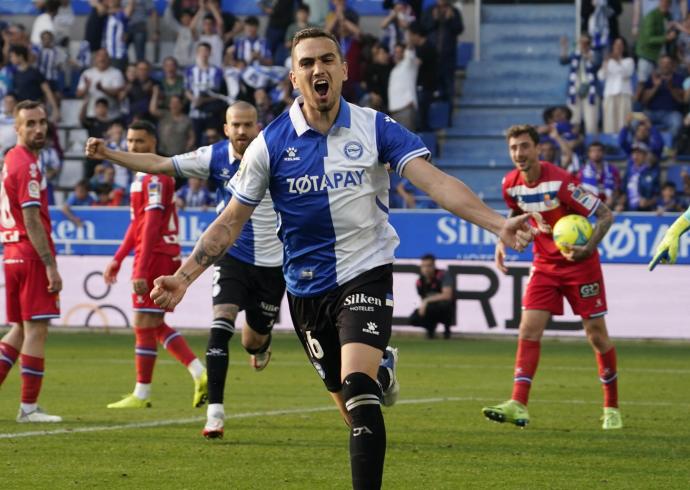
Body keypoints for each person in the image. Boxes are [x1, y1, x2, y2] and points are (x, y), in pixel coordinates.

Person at [119, 28, 537, 488]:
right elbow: (230, 221)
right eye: (307, 63)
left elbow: (433, 181)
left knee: (359, 392)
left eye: (327, 60)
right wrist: (184, 276)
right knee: (348, 406)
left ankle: (372, 382)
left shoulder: (375, 127)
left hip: (366, 272)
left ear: (343, 69)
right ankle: (383, 368)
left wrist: (499, 224)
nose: (318, 69)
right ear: (294, 78)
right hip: (303, 290)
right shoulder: (270, 145)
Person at [85, 102, 288, 440]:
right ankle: (215, 416)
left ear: (258, 127)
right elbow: (161, 164)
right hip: (232, 254)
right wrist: (109, 153)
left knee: (253, 340)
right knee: (220, 327)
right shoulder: (216, 157)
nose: (241, 131)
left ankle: (259, 347)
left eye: (248, 125)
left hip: (274, 264)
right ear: (225, 128)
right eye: (235, 125)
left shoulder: (277, 153)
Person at [483, 124, 622, 431]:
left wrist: (586, 249)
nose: (519, 153)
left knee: (596, 336)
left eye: (524, 146)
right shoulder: (510, 185)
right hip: (545, 264)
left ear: (538, 148)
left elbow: (605, 215)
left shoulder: (561, 182)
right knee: (528, 330)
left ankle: (611, 407)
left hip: (580, 265)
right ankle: (518, 403)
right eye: (513, 148)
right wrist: (501, 243)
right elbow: (514, 216)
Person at [101, 120, 207, 409]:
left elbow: (149, 228)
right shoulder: (141, 176)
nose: (133, 147)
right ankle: (198, 373)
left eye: (140, 142)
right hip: (154, 253)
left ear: (153, 144)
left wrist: (139, 269)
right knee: (153, 323)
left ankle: (143, 392)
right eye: (130, 142)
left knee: (143, 322)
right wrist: (118, 259)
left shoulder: (156, 177)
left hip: (157, 254)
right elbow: (136, 225)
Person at [0, 100, 62, 422]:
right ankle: (28, 408)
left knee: (19, 330)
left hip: (10, 253)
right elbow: (32, 218)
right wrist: (50, 263)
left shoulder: (10, 159)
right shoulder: (28, 165)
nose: (38, 129)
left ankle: (28, 407)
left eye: (42, 122)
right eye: (30, 124)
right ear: (17, 127)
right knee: (37, 330)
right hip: (29, 254)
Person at [408, 254, 454, 339]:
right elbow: (422, 297)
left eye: (429, 266)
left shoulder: (443, 275)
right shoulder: (420, 281)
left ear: (434, 266)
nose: (426, 269)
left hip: (444, 309)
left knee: (444, 305)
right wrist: (424, 303)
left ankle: (447, 333)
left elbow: (447, 295)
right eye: (423, 266)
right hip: (430, 309)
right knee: (413, 319)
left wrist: (427, 301)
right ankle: (430, 330)